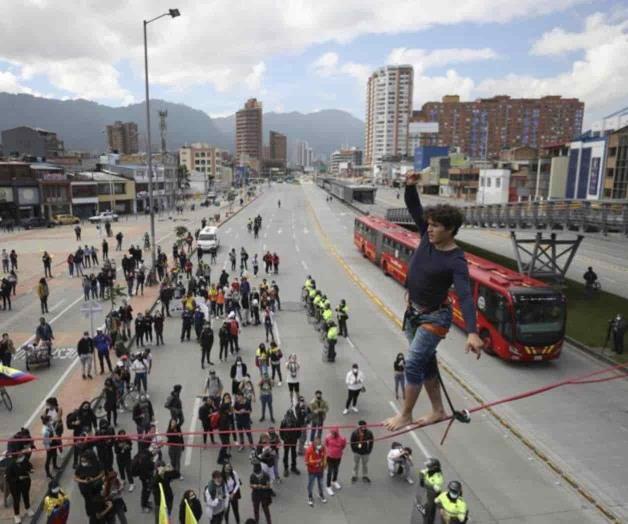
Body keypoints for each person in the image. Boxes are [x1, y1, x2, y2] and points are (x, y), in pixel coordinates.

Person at [384, 172, 483, 431]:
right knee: (426, 362)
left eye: (435, 226)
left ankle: (405, 414)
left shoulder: (456, 260)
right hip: (413, 313)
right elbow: (413, 206)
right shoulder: (428, 237)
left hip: (434, 317)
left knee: (414, 363)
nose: (429, 229)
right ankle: (438, 409)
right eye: (428, 225)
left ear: (450, 229)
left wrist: (472, 332)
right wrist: (409, 185)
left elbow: (464, 296)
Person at [417, 458, 444, 524]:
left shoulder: (438, 478)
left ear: (434, 468)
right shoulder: (429, 471)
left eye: (429, 467)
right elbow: (422, 478)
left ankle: (428, 520)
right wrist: (421, 476)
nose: (427, 468)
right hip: (429, 491)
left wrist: (426, 484)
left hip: (433, 493)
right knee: (429, 504)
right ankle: (426, 509)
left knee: (431, 509)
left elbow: (436, 489)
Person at [305, 438, 327, 507]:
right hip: (312, 471)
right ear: (314, 444)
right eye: (318, 445)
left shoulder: (323, 448)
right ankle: (310, 496)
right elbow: (306, 462)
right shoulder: (309, 450)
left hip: (320, 470)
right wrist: (316, 462)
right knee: (311, 484)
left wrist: (325, 464)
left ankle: (321, 494)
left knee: (320, 483)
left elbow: (325, 457)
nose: (319, 446)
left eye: (320, 444)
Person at [324, 427, 346, 496]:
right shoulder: (328, 437)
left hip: (338, 457)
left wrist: (337, 451)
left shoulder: (342, 439)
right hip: (330, 457)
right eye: (331, 433)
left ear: (337, 433)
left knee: (336, 469)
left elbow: (343, 446)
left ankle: (334, 481)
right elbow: (326, 444)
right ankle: (328, 486)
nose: (332, 434)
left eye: (334, 433)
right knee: (329, 472)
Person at [279, 407, 301, 477]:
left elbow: (299, 431)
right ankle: (286, 468)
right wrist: (284, 438)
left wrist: (296, 437)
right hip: (288, 440)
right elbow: (281, 431)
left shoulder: (296, 421)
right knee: (287, 454)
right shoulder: (284, 421)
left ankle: (293, 467)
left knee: (293, 454)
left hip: (291, 440)